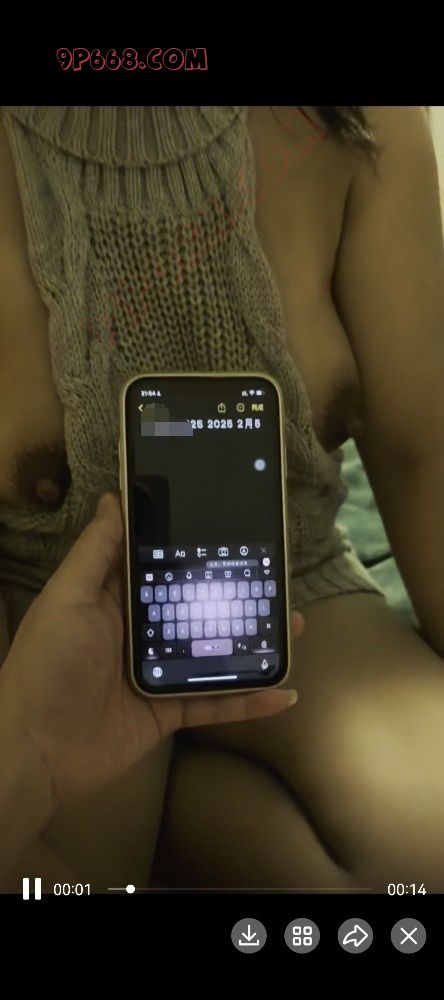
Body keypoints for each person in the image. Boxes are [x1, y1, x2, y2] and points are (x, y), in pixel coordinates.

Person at [1, 105, 444, 892]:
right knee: (45, 873)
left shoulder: (364, 121)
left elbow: (424, 454)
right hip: (44, 616)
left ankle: (180, 811)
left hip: (296, 587)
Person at [0, 491, 300, 887]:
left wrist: (28, 749)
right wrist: (30, 749)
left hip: (271, 563)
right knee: (93, 879)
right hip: (61, 579)